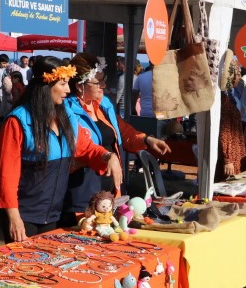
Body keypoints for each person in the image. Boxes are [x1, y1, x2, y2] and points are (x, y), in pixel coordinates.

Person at [0, 57, 122, 242]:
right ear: (46, 85)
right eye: (63, 84)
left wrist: (108, 156)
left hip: (55, 214)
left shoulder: (66, 116)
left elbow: (86, 147)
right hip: (24, 216)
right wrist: (14, 218)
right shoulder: (17, 121)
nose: (68, 90)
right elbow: (6, 175)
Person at [60, 53, 170, 226]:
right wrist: (107, 156)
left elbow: (123, 131)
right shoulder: (67, 110)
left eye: (104, 80)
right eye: (98, 81)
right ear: (80, 85)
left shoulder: (103, 105)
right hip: (82, 188)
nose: (103, 85)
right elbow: (80, 146)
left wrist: (147, 140)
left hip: (109, 187)